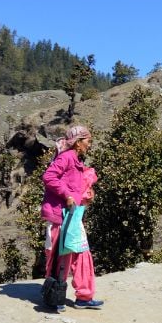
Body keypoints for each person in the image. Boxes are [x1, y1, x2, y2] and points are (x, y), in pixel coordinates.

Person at [41, 125, 102, 310]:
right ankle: (54, 298)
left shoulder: (74, 159)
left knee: (82, 254)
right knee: (60, 257)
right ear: (78, 142)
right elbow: (49, 177)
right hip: (61, 216)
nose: (89, 145)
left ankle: (84, 296)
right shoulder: (66, 158)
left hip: (72, 216)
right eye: (88, 141)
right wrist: (67, 195)